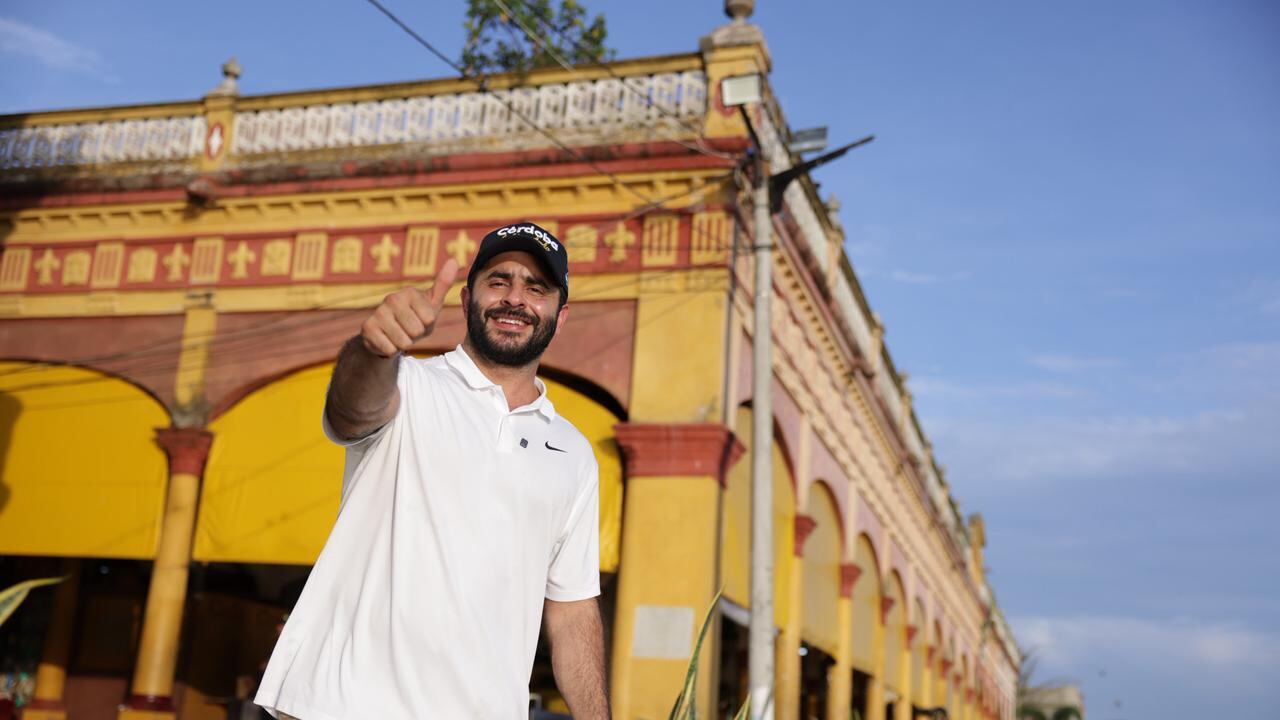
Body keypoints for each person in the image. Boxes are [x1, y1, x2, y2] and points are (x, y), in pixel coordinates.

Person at [253, 222, 609, 719]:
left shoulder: (572, 453)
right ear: (466, 299)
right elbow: (351, 410)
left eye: (536, 288)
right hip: (346, 705)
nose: (515, 299)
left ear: (560, 315)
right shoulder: (408, 385)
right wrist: (375, 349)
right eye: (498, 281)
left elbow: (571, 609)